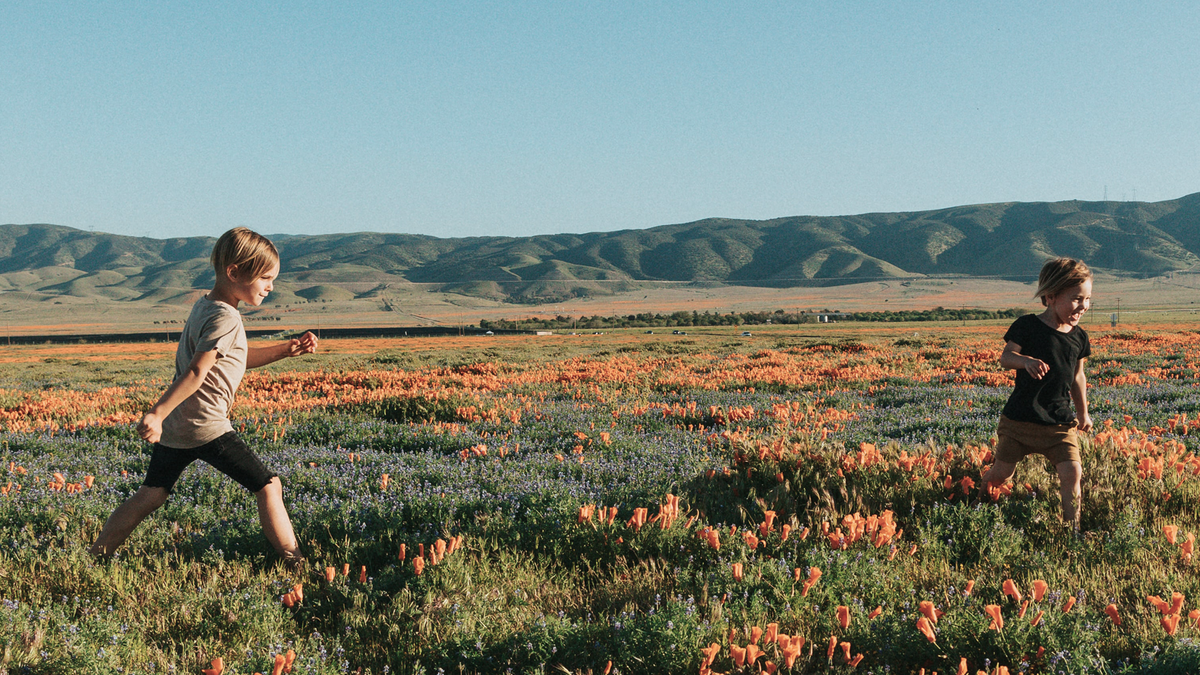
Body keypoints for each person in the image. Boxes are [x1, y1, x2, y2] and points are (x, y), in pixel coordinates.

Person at [89, 227, 317, 567]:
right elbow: (197, 372)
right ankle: (295, 562)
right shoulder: (227, 318)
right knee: (269, 486)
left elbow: (236, 358)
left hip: (180, 425)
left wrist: (286, 349)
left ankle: (96, 555)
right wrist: (156, 413)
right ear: (235, 272)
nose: (270, 287)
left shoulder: (206, 306)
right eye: (265, 278)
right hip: (205, 425)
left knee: (151, 494)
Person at [982, 257, 1092, 529]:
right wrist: (1026, 361)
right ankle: (979, 503)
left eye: (1087, 299)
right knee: (1002, 472)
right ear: (1051, 296)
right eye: (1076, 299)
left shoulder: (1079, 337)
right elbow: (1006, 358)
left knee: (1072, 472)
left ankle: (1072, 529)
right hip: (1020, 419)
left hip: (1058, 421)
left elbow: (1078, 376)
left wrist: (1083, 413)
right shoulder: (1027, 325)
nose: (1083, 306)